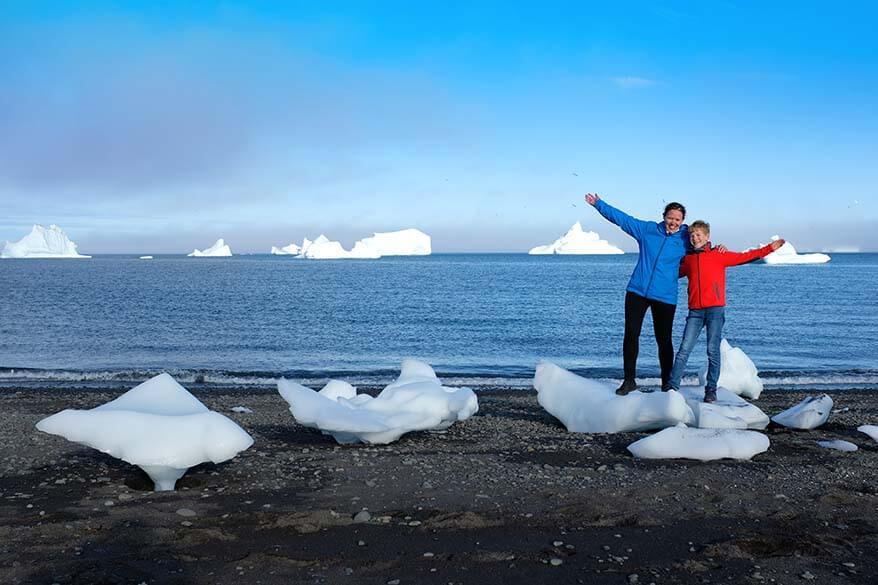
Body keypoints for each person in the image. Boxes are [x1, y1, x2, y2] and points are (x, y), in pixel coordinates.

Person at [665, 220, 784, 403]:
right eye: (692, 235)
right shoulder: (688, 259)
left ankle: (710, 390)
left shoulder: (719, 255)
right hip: (695, 311)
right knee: (683, 350)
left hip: (715, 310)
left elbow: (746, 256)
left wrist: (770, 248)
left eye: (698, 235)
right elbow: (669, 273)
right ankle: (672, 388)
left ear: (707, 237)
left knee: (713, 351)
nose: (694, 238)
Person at [585, 193, 691, 395]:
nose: (673, 222)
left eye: (677, 219)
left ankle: (667, 384)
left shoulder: (686, 239)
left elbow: (702, 249)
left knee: (664, 341)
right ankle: (629, 380)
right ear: (664, 216)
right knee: (631, 335)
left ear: (682, 221)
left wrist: (716, 248)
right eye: (670, 218)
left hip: (665, 297)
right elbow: (623, 220)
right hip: (637, 291)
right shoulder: (648, 230)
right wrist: (599, 204)